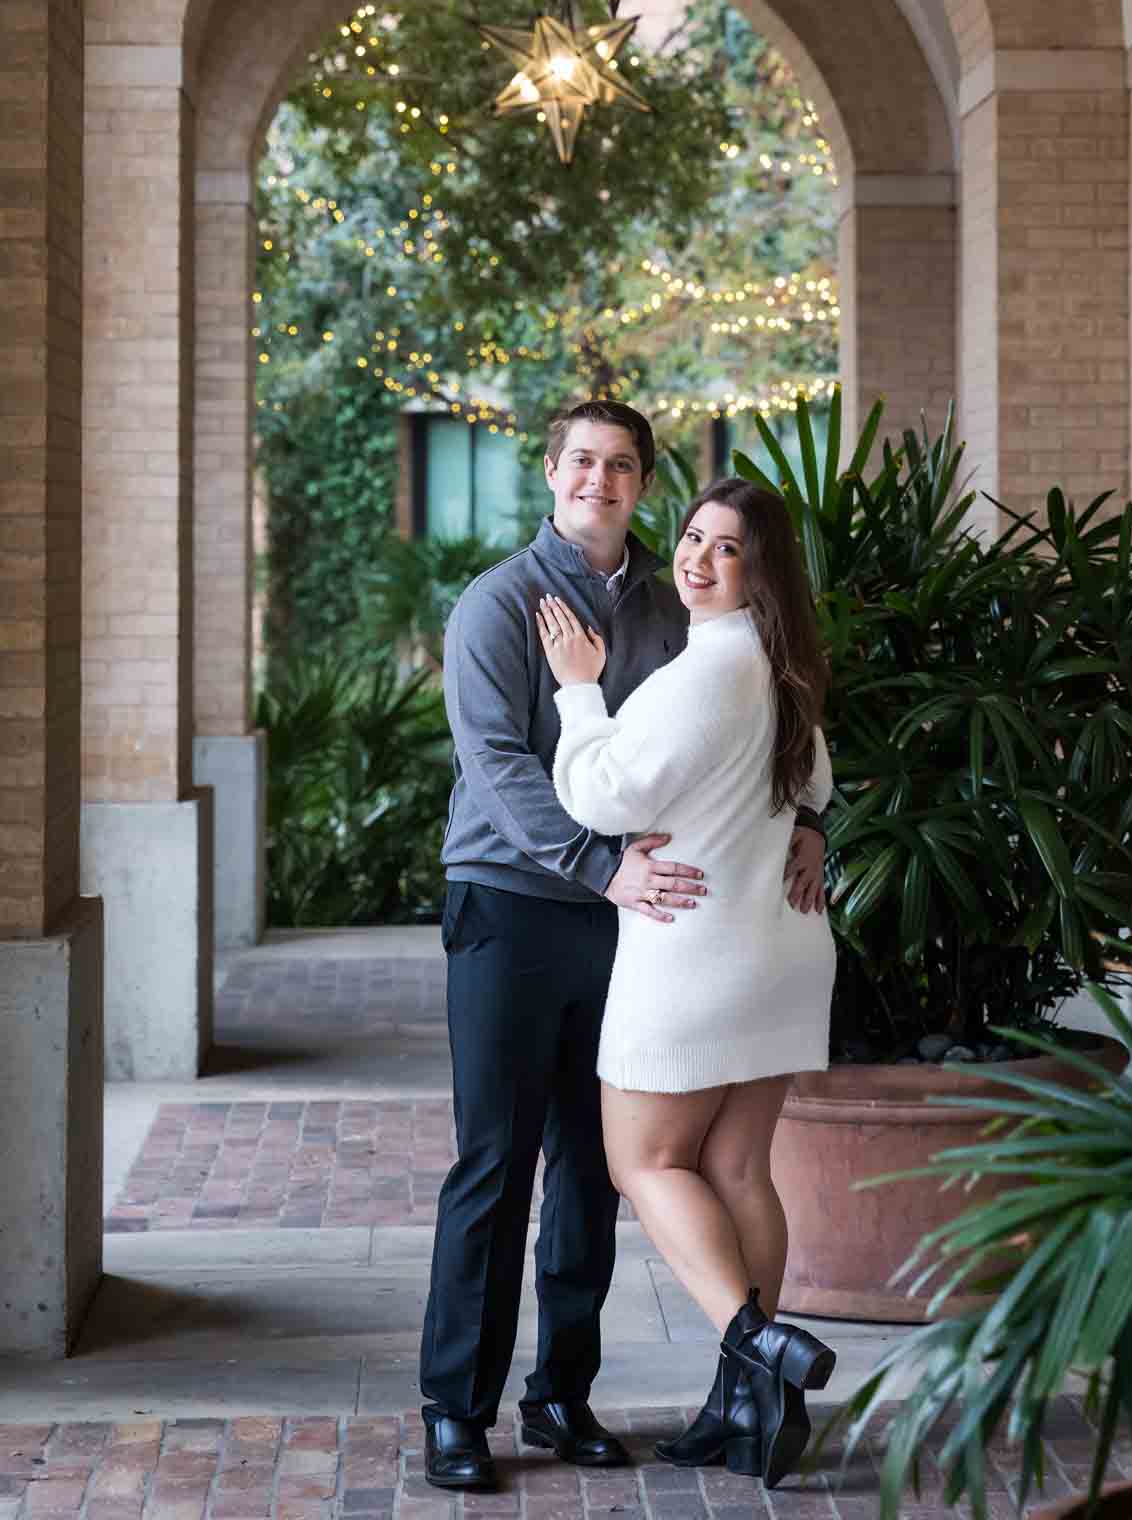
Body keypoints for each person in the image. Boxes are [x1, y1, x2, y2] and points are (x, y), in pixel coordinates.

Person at [419, 406, 828, 1494]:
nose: (600, 479)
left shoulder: (678, 599)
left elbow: (766, 724)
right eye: (582, 461)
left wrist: (810, 823)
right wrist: (597, 865)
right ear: (552, 474)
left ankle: (561, 1392)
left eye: (622, 465)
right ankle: (456, 1408)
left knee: (591, 1171)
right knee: (494, 1166)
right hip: (511, 905)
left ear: (645, 482)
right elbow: (499, 764)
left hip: (633, 922)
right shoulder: (499, 602)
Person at [536, 475, 838, 1491]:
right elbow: (819, 785)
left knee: (642, 1161)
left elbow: (600, 791)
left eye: (728, 548)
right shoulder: (782, 664)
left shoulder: (705, 669)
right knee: (740, 1165)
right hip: (781, 948)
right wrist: (810, 829)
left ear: (762, 570)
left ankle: (762, 1342)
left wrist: (579, 688)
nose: (697, 559)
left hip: (694, 950)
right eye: (695, 537)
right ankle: (745, 1405)